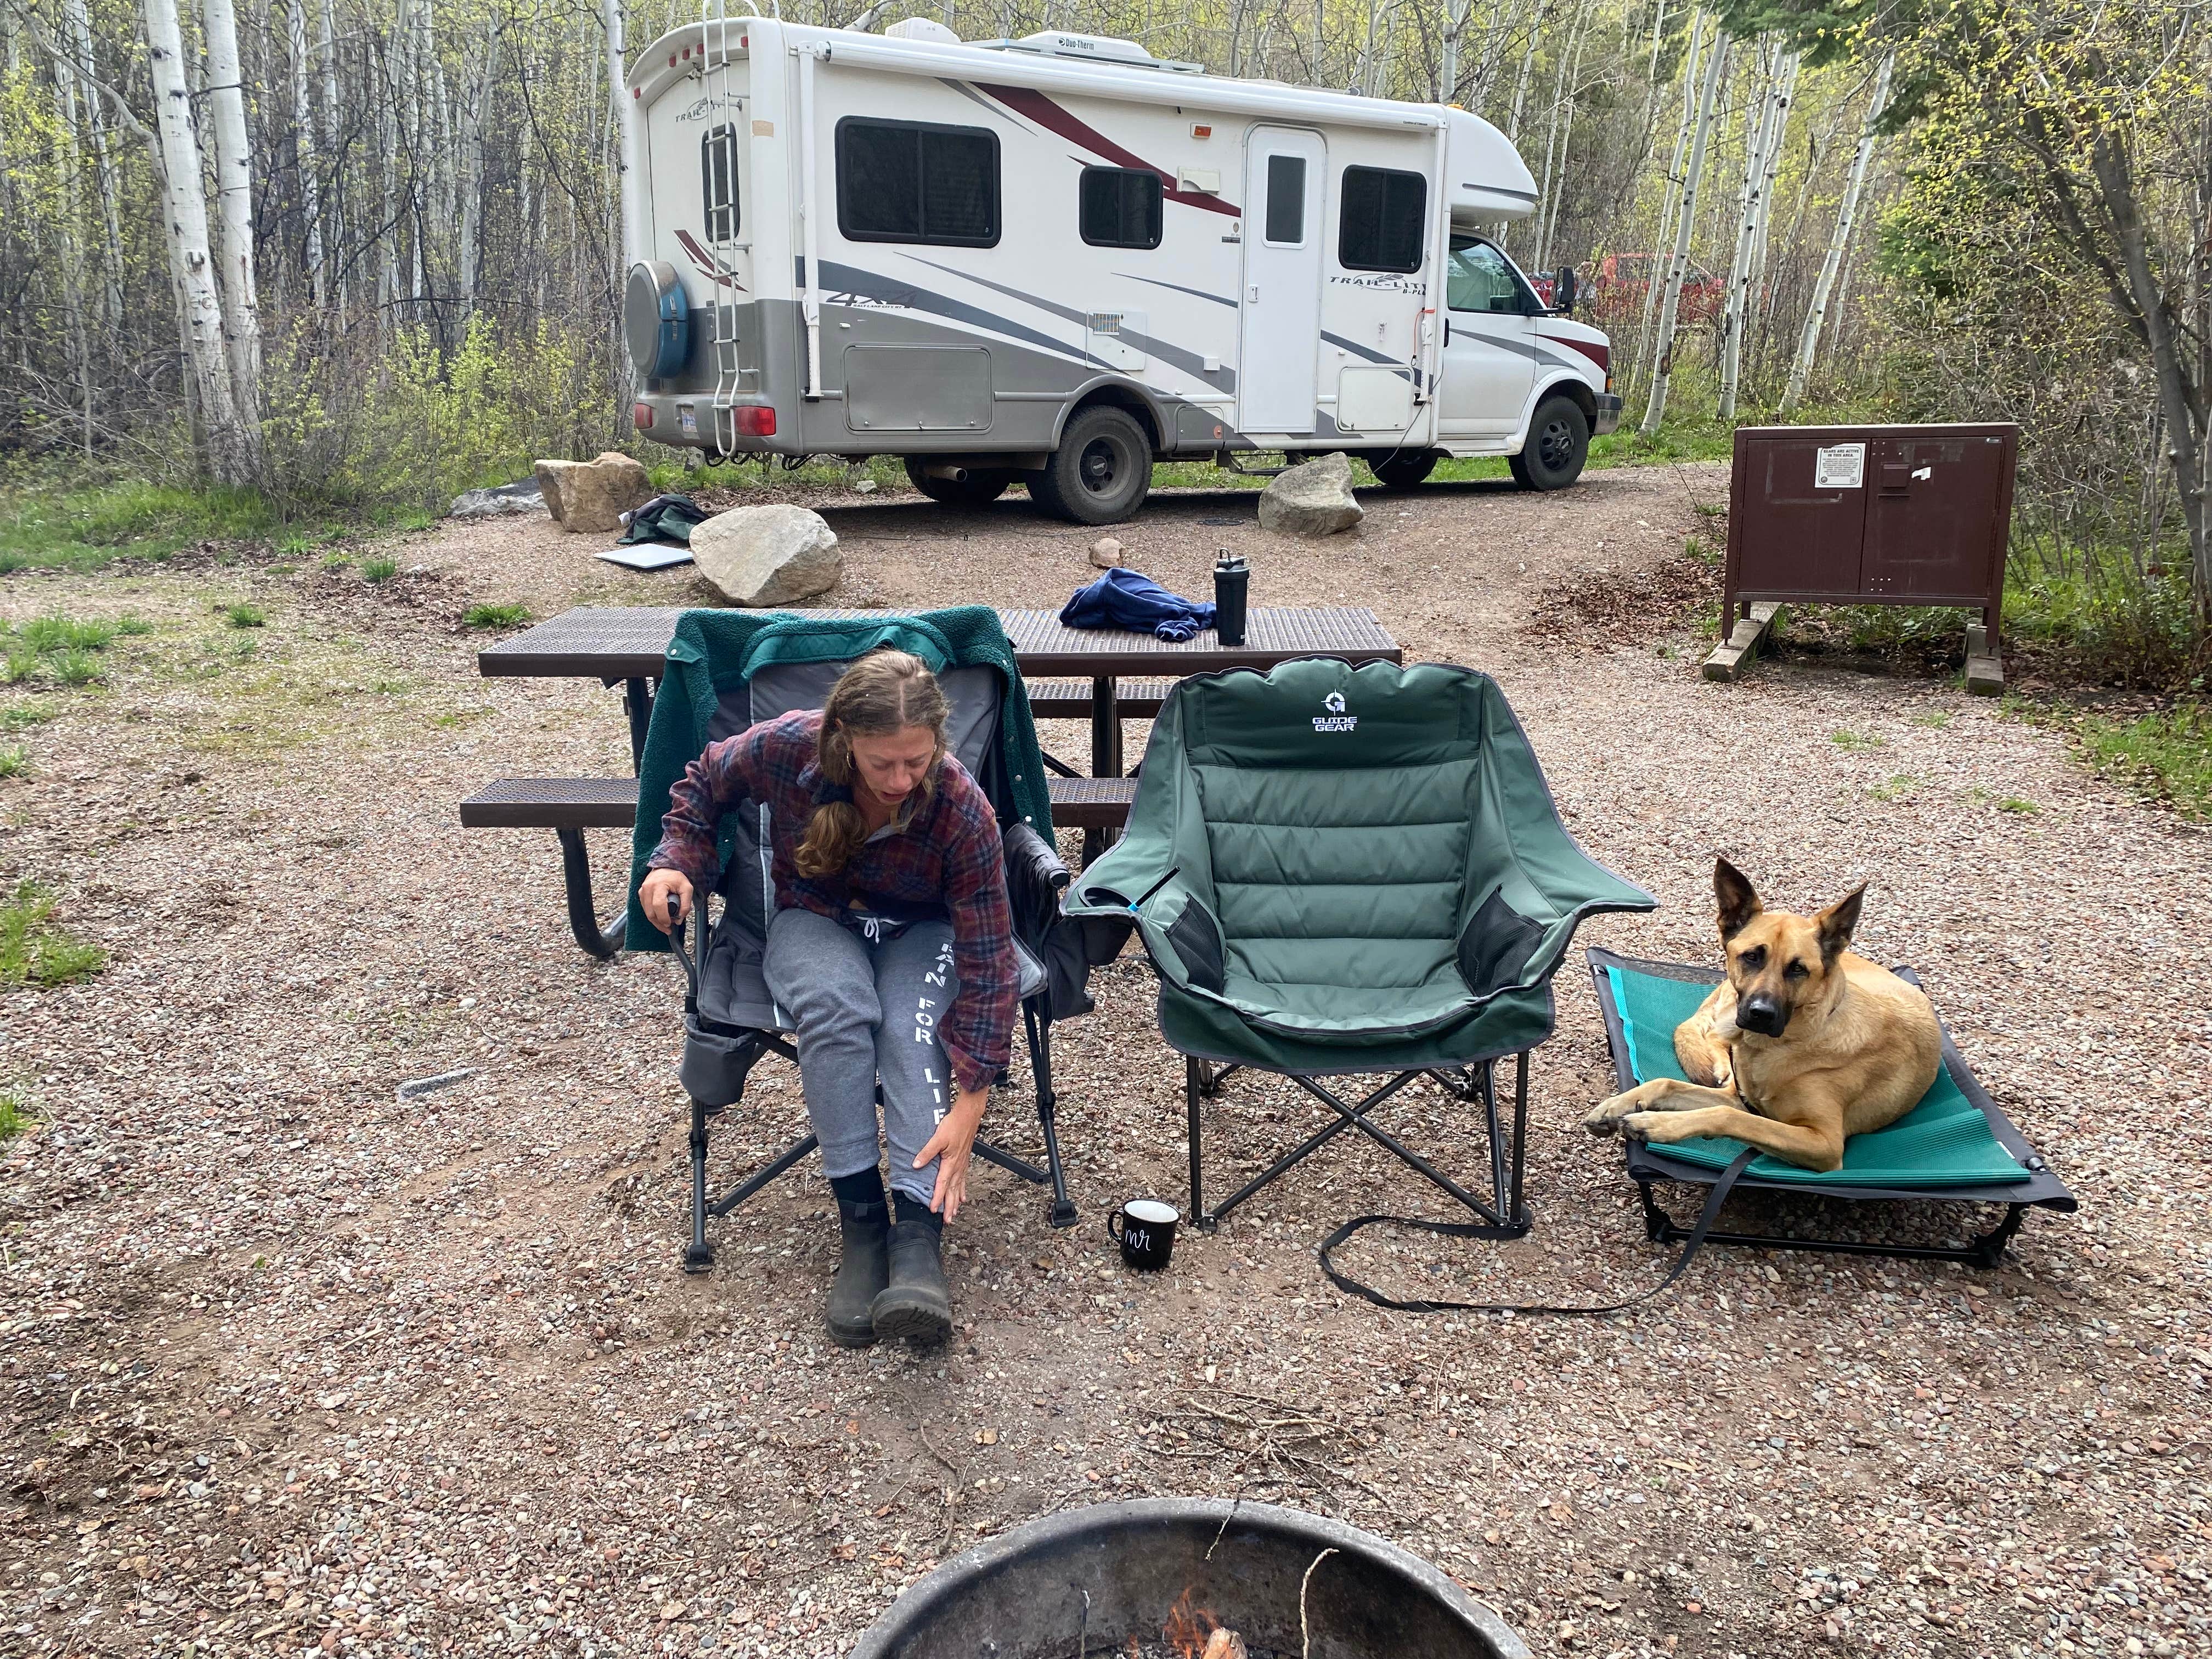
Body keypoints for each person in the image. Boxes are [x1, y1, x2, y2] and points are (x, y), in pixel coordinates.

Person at [637, 650, 1016, 1348]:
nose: (903, 780)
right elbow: (702, 782)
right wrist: (674, 861)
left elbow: (991, 956)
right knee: (839, 1011)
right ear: (843, 738)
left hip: (918, 930)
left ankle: (917, 1244)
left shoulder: (962, 806)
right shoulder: (789, 747)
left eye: (918, 761)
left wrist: (974, 1097)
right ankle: (863, 1225)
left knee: (910, 1025)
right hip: (814, 918)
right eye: (883, 765)